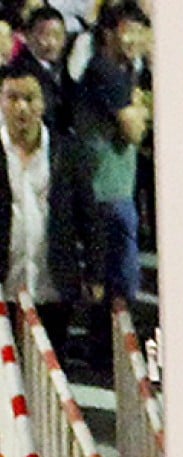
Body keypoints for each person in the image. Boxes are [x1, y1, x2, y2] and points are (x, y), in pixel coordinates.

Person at [74, 1, 151, 367]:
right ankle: (107, 358)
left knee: (117, 281)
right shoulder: (105, 71)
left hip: (116, 188)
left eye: (141, 30)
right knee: (117, 282)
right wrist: (138, 106)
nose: (137, 38)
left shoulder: (123, 71)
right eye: (129, 30)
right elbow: (134, 130)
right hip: (106, 192)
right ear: (108, 33)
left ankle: (107, 354)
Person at [0, 64, 83, 356]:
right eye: (12, 98)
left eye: (30, 98)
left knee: (51, 368)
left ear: (43, 102)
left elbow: (87, 212)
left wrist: (96, 273)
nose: (21, 107)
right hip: (5, 281)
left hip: (53, 283)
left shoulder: (67, 150)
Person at [9, 6, 73, 133]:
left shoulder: (62, 67)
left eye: (58, 35)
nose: (52, 43)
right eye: (45, 35)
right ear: (28, 35)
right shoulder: (19, 71)